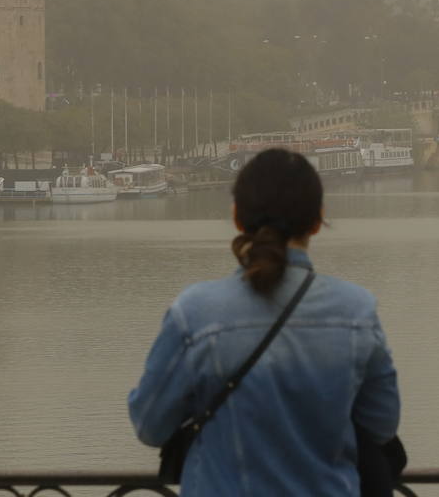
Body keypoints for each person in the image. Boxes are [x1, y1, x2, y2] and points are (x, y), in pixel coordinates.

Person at [128, 148, 400, 496]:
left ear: (238, 218)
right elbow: (381, 424)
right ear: (317, 220)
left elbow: (150, 425)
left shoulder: (195, 313)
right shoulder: (357, 311)